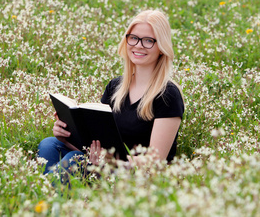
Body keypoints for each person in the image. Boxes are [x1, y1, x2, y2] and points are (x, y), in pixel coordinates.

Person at [38, 10, 184, 175]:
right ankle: (53, 192)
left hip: (133, 174)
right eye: (134, 38)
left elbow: (155, 162)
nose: (138, 45)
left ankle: (43, 192)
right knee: (49, 144)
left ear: (161, 47)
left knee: (74, 159)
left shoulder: (167, 95)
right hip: (103, 163)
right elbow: (95, 144)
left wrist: (112, 162)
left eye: (148, 41)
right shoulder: (116, 87)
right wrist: (66, 137)